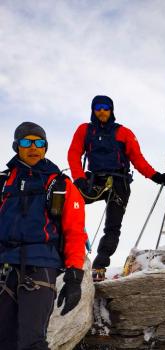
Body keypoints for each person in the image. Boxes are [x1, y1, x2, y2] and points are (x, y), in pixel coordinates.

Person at [0, 122, 87, 350]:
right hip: (4, 266)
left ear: (45, 147)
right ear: (16, 146)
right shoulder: (2, 182)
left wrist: (74, 277)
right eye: (27, 142)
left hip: (41, 267)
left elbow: (75, 232)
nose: (33, 147)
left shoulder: (60, 184)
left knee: (32, 342)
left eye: (39, 143)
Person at [68, 95, 165, 282]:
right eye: (98, 107)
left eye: (106, 107)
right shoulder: (85, 130)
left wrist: (156, 177)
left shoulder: (124, 133)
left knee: (113, 226)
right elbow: (74, 154)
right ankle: (67, 252)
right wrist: (79, 179)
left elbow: (137, 159)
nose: (102, 111)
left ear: (111, 110)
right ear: (93, 110)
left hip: (118, 182)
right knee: (68, 203)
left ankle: (100, 265)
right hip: (93, 181)